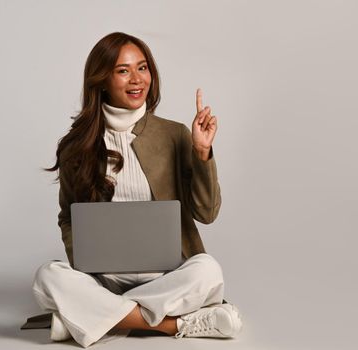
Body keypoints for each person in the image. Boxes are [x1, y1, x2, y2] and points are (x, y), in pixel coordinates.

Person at [31, 32, 242, 348]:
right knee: (48, 276)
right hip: (104, 279)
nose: (137, 79)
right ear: (102, 80)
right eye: (123, 70)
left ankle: (92, 317)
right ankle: (176, 325)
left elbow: (207, 213)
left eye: (142, 68)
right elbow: (68, 218)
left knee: (208, 270)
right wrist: (85, 259)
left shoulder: (173, 134)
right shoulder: (78, 146)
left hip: (168, 275)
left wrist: (202, 153)